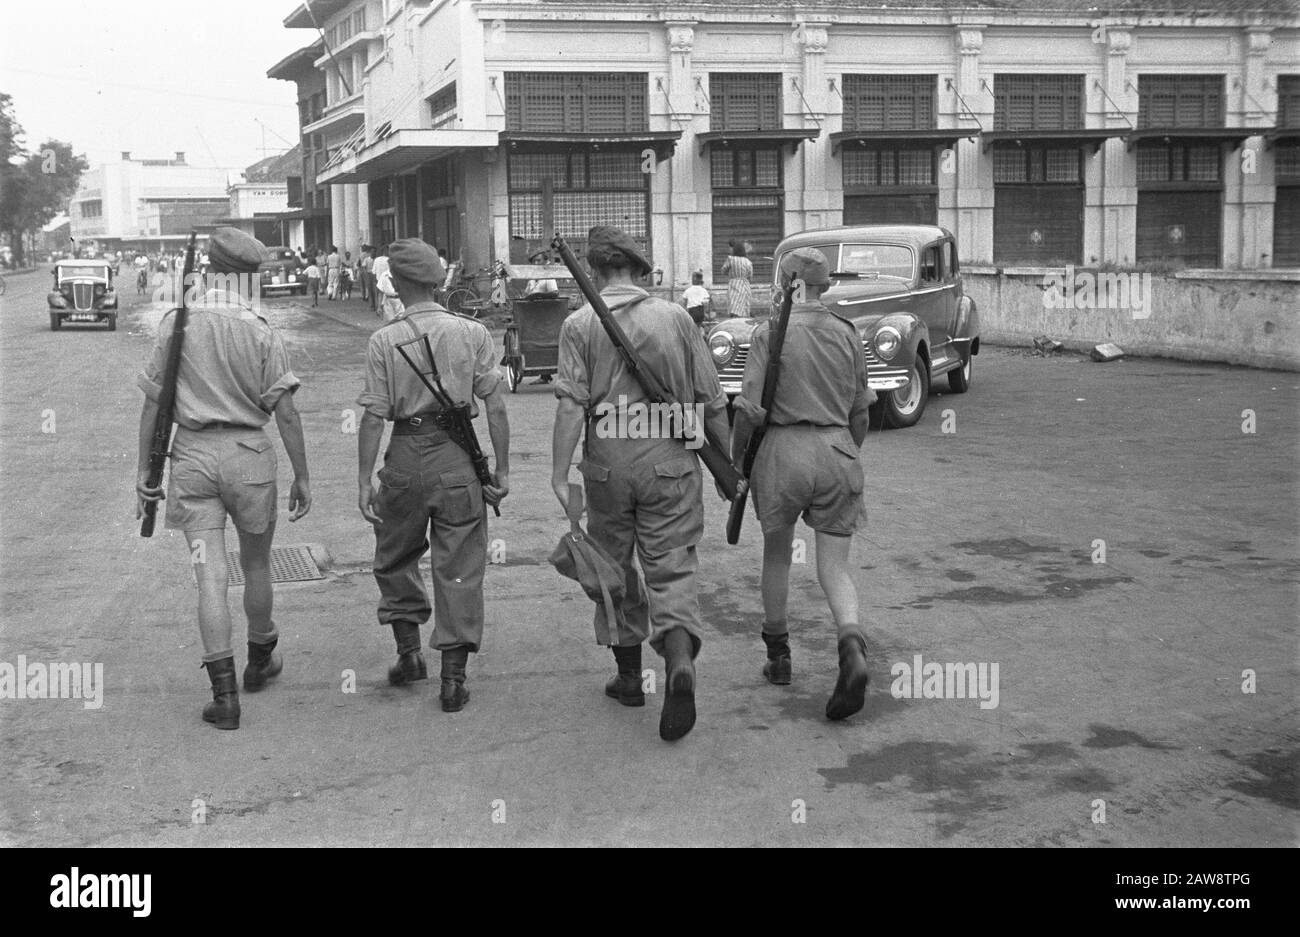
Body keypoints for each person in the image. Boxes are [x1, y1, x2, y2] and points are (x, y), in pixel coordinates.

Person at [550, 225, 729, 743]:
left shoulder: (579, 323)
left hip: (606, 461)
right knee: (671, 566)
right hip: (670, 459)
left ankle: (630, 678)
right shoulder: (675, 318)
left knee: (612, 568)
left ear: (597, 270)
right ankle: (678, 663)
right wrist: (728, 466)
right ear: (635, 268)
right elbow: (711, 400)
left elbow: (569, 405)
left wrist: (560, 475)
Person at [134, 227, 311, 731]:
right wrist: (302, 476)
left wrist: (143, 472)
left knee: (209, 575)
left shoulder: (176, 323)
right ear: (252, 277)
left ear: (209, 269)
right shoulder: (260, 328)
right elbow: (286, 411)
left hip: (190, 456)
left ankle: (225, 698)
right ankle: (261, 658)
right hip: (250, 455)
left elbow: (154, 403)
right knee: (256, 566)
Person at [356, 238, 510, 711]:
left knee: (395, 556)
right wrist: (501, 468)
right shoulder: (473, 332)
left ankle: (409, 656)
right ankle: (453, 680)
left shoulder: (384, 339)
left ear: (397, 285)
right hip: (456, 459)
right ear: (437, 282)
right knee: (460, 565)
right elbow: (495, 404)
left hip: (403, 456)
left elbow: (373, 417)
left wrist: (364, 479)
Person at [730, 247, 875, 721]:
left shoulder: (768, 333)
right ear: (820, 286)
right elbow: (860, 412)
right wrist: (846, 453)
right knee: (835, 569)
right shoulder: (846, 332)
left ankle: (779, 656)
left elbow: (749, 411)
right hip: (837, 451)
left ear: (785, 284)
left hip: (782, 453)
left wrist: (736, 464)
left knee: (777, 555)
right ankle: (851, 644)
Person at [721, 240, 753, 320]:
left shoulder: (731, 259)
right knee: (743, 307)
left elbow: (723, 270)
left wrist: (730, 274)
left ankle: (733, 322)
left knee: (734, 306)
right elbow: (750, 276)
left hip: (734, 284)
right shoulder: (748, 262)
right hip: (745, 286)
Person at [372, 245, 403, 321]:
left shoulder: (401, 274)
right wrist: (379, 306)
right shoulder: (384, 275)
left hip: (400, 301)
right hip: (388, 301)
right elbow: (380, 292)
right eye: (390, 263)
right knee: (390, 323)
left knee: (401, 323)